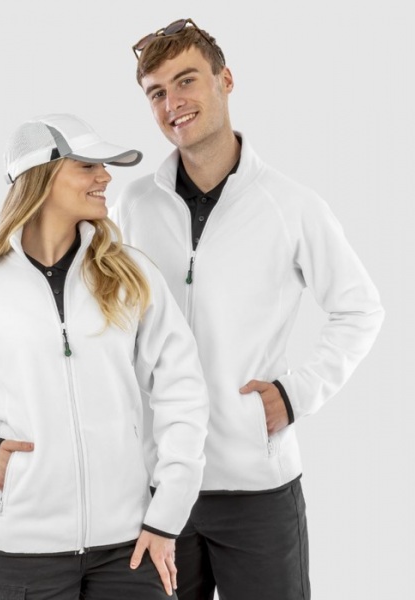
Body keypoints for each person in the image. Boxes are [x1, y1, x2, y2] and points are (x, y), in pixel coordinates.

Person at [112, 19, 385, 600]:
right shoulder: (132, 205)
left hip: (258, 491)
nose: (172, 103)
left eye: (186, 81)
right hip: (158, 490)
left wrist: (295, 394)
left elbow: (360, 310)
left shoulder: (291, 206)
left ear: (226, 80)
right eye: (156, 93)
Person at [0, 113, 210, 600]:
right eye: (88, 165)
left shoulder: (131, 274)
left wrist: (167, 514)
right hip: (21, 554)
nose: (105, 177)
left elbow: (183, 391)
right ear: (42, 177)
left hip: (130, 547)